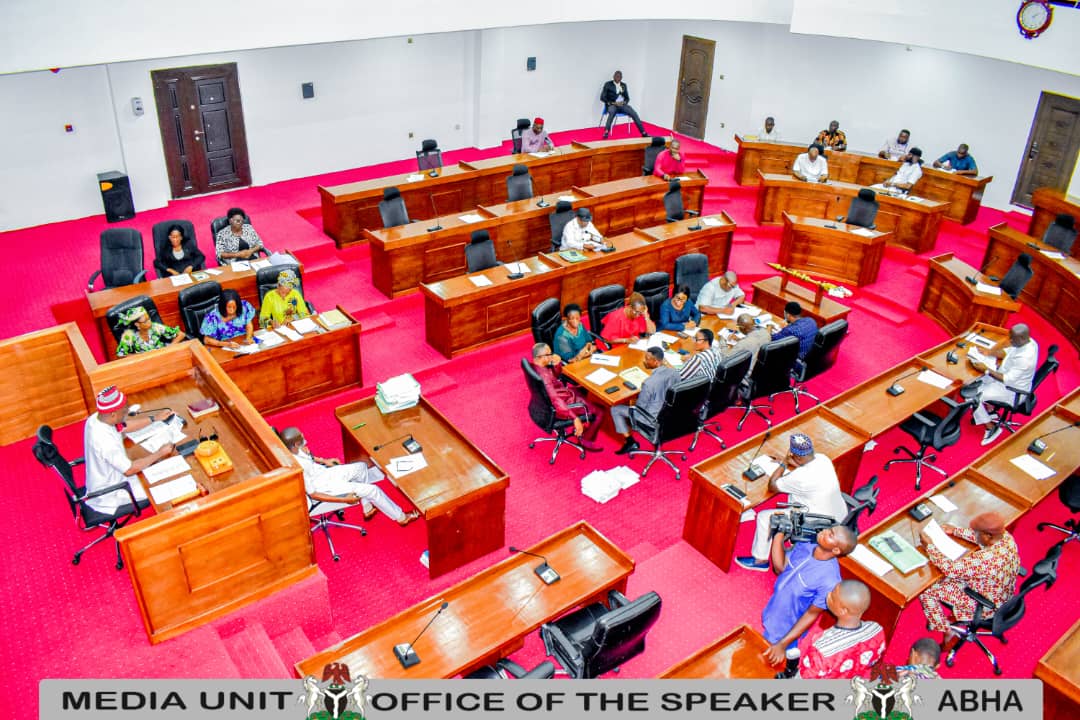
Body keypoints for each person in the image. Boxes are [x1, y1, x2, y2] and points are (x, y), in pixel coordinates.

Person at [736, 433, 849, 571]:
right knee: (793, 496)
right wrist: (793, 462)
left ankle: (760, 560)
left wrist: (783, 463)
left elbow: (772, 486)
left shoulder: (800, 477)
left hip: (817, 519)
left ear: (797, 456)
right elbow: (803, 467)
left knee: (764, 517)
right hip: (838, 513)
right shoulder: (822, 459)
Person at [760, 523, 858, 678]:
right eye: (828, 529)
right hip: (774, 610)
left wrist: (782, 644)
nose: (824, 531)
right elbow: (780, 568)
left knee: (764, 666)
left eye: (831, 534)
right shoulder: (806, 544)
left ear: (836, 550)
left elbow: (811, 615)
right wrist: (778, 535)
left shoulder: (830, 581)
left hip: (786, 628)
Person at [280, 427, 419, 525]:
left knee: (361, 468)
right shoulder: (298, 467)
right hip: (324, 488)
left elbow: (310, 458)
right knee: (373, 490)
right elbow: (314, 494)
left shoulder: (293, 449)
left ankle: (367, 508)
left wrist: (324, 461)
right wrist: (344, 499)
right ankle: (401, 517)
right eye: (301, 438)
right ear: (296, 444)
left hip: (323, 473)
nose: (304, 438)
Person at [918, 511, 1021, 639]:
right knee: (943, 577)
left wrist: (930, 546)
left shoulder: (987, 560)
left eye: (977, 533)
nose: (975, 534)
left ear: (988, 535)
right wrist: (955, 531)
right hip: (1002, 594)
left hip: (986, 604)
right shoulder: (1006, 538)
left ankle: (946, 630)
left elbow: (951, 569)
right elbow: (981, 538)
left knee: (926, 591)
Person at [83, 386, 175, 515]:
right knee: (165, 483)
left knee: (156, 467)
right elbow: (130, 470)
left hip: (113, 475)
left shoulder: (97, 418)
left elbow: (124, 426)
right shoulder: (104, 441)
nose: (127, 413)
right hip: (113, 491)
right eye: (124, 411)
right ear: (113, 414)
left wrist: (154, 418)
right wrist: (160, 453)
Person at [797, 580, 886, 679]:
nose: (828, 594)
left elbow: (805, 678)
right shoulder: (877, 629)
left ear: (842, 610)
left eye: (832, 596)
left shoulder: (821, 648)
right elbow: (874, 660)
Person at [966, 323, 1038, 445]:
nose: (1009, 340)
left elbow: (1006, 379)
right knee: (975, 382)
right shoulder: (1029, 341)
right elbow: (1008, 352)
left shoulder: (1025, 359)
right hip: (1004, 380)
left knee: (971, 396)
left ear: (1021, 339)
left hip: (1011, 391)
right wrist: (988, 353)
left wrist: (986, 370)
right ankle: (989, 408)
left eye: (1012, 339)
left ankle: (991, 427)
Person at [530, 343, 605, 451]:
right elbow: (555, 400)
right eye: (550, 354)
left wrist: (556, 364)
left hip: (557, 396)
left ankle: (585, 423)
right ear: (541, 357)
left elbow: (555, 377)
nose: (553, 355)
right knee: (600, 412)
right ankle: (586, 439)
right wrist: (575, 418)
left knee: (584, 390)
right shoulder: (544, 377)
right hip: (562, 403)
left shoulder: (534, 366)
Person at [611, 347, 680, 454]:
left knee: (615, 409)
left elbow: (640, 408)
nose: (644, 361)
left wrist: (633, 400)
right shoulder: (675, 372)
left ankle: (630, 442)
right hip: (672, 415)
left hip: (652, 419)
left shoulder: (649, 383)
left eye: (647, 359)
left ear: (656, 362)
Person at [115, 306, 185, 357]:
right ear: (137, 324)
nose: (150, 322)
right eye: (145, 321)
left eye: (149, 319)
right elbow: (122, 354)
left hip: (163, 356)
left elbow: (181, 334)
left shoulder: (156, 327)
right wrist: (141, 356)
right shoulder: (129, 335)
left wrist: (170, 347)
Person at [601, 70, 646, 138]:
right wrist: (612, 103)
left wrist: (624, 102)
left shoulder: (623, 85)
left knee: (633, 113)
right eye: (616, 76)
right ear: (613, 76)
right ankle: (606, 132)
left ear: (621, 78)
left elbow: (627, 98)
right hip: (612, 104)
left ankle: (643, 132)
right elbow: (602, 97)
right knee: (612, 112)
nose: (617, 78)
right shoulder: (608, 84)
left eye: (619, 77)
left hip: (622, 105)